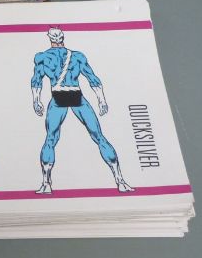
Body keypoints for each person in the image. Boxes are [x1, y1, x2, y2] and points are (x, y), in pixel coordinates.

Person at [31, 28, 134, 194]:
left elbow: (37, 81)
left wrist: (36, 100)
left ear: (49, 38)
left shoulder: (42, 57)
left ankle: (46, 184)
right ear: (63, 37)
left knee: (51, 139)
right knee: (98, 136)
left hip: (57, 97)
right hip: (76, 95)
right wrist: (101, 99)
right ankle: (120, 181)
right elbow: (92, 78)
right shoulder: (77, 56)